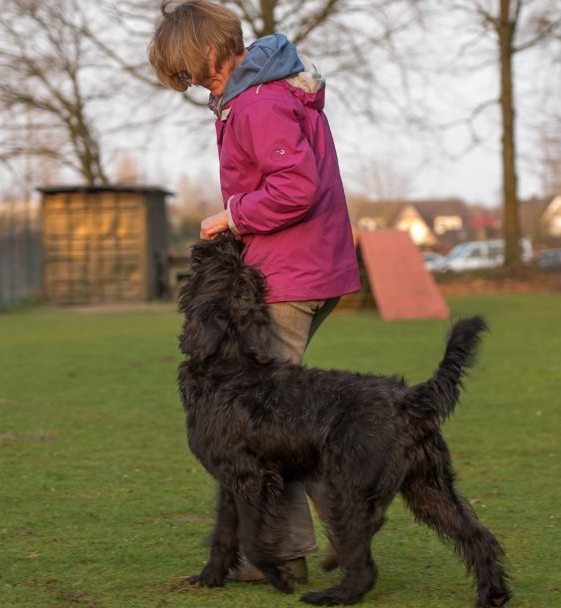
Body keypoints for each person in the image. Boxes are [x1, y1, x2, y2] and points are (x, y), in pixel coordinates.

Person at [149, 0, 361, 583]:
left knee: (265, 423)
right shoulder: (267, 93)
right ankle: (340, 533)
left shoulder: (257, 102)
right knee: (283, 417)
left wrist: (232, 218)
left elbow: (296, 188)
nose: (191, 84)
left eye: (188, 71)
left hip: (290, 274)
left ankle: (288, 553)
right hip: (313, 268)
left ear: (209, 53)